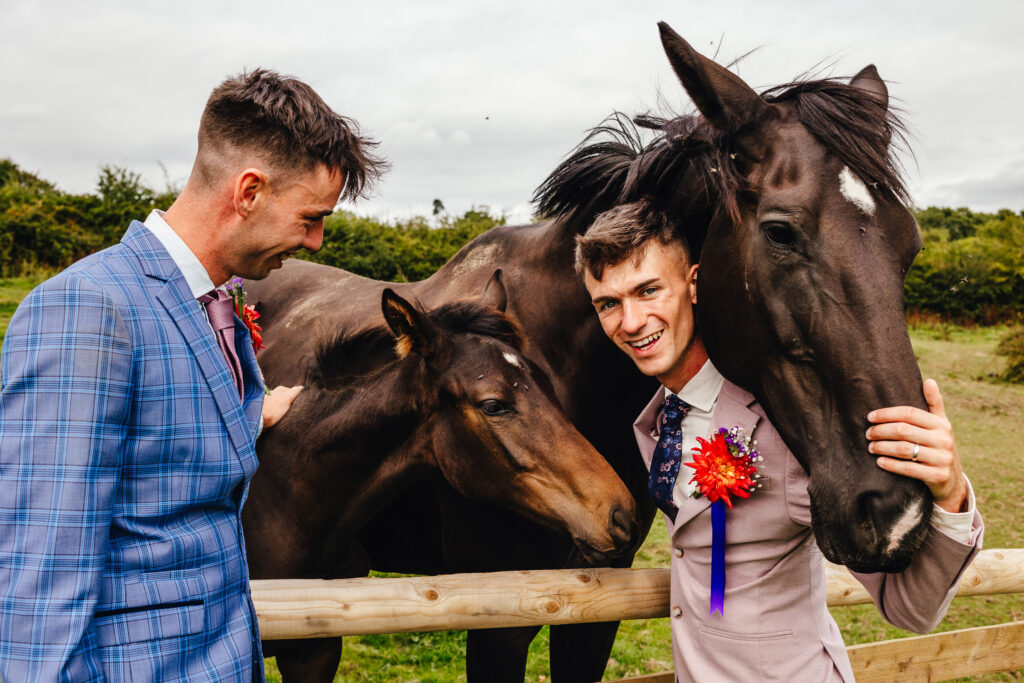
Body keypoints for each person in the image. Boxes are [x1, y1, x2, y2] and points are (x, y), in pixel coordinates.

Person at [0, 69, 385, 681]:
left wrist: (248, 416)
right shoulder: (86, 308)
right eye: (311, 216)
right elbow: (43, 565)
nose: (317, 241)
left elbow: (161, 452)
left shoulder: (216, 302)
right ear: (249, 191)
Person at [576, 199, 983, 682]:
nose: (631, 321)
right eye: (609, 304)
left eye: (648, 291)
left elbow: (911, 608)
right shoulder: (657, 420)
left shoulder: (783, 431)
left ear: (694, 283)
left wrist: (952, 494)